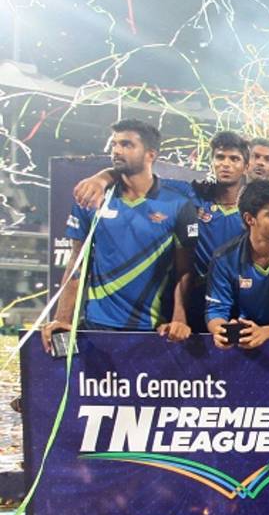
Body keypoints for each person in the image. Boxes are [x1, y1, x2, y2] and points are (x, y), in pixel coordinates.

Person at [41, 120, 195, 350]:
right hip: (96, 326)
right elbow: (76, 264)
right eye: (114, 144)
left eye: (127, 144)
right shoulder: (92, 199)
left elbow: (184, 271)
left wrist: (179, 318)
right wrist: (63, 317)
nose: (117, 150)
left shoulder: (178, 204)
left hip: (152, 329)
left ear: (150, 154)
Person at [205, 180, 269, 349]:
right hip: (245, 346)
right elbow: (216, 310)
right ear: (250, 219)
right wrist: (220, 332)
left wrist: (266, 332)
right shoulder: (224, 258)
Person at [174, 132, 251, 332]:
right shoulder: (193, 196)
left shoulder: (256, 209)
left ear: (246, 167)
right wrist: (104, 177)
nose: (225, 164)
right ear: (212, 162)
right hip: (199, 298)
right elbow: (147, 180)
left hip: (245, 299)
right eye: (220, 157)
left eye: (234, 159)